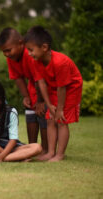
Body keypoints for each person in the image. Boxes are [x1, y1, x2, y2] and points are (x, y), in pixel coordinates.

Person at [24, 26, 83, 162]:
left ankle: (60, 154)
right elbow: (41, 83)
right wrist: (49, 105)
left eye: (31, 50)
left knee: (61, 119)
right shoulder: (36, 62)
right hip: (54, 87)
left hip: (70, 89)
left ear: (44, 47)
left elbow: (62, 87)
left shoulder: (60, 62)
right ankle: (51, 152)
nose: (29, 53)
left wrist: (60, 109)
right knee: (50, 118)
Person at [0, 27, 48, 153]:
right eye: (4, 52)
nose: (7, 54)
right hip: (33, 86)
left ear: (21, 43)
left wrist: (41, 101)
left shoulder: (30, 55)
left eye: (8, 50)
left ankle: (46, 149)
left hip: (45, 87)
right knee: (30, 114)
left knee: (42, 115)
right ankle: (31, 147)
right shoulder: (11, 59)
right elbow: (18, 78)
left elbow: (40, 79)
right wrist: (26, 97)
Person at [0, 79, 42, 162]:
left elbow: (13, 140)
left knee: (37, 147)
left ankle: (1, 158)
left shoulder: (11, 113)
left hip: (11, 147)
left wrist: (1, 156)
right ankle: (17, 158)